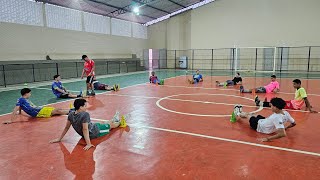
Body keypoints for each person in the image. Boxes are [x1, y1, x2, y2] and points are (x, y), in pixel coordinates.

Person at [49, 99, 124, 150]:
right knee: (111, 126)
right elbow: (85, 129)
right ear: (80, 107)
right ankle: (120, 122)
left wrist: (60, 138)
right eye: (85, 106)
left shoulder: (71, 114)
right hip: (94, 132)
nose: (86, 107)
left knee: (104, 123)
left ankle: (114, 119)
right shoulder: (85, 114)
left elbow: (66, 127)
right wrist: (88, 144)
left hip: (93, 126)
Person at [3, 88, 70, 124]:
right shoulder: (21, 99)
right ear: (26, 93)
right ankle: (72, 112)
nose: (30, 94)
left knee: (58, 109)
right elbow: (16, 108)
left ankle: (72, 111)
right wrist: (11, 120)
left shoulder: (23, 99)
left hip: (39, 109)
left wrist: (20, 112)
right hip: (38, 112)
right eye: (29, 93)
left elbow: (20, 106)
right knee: (57, 111)